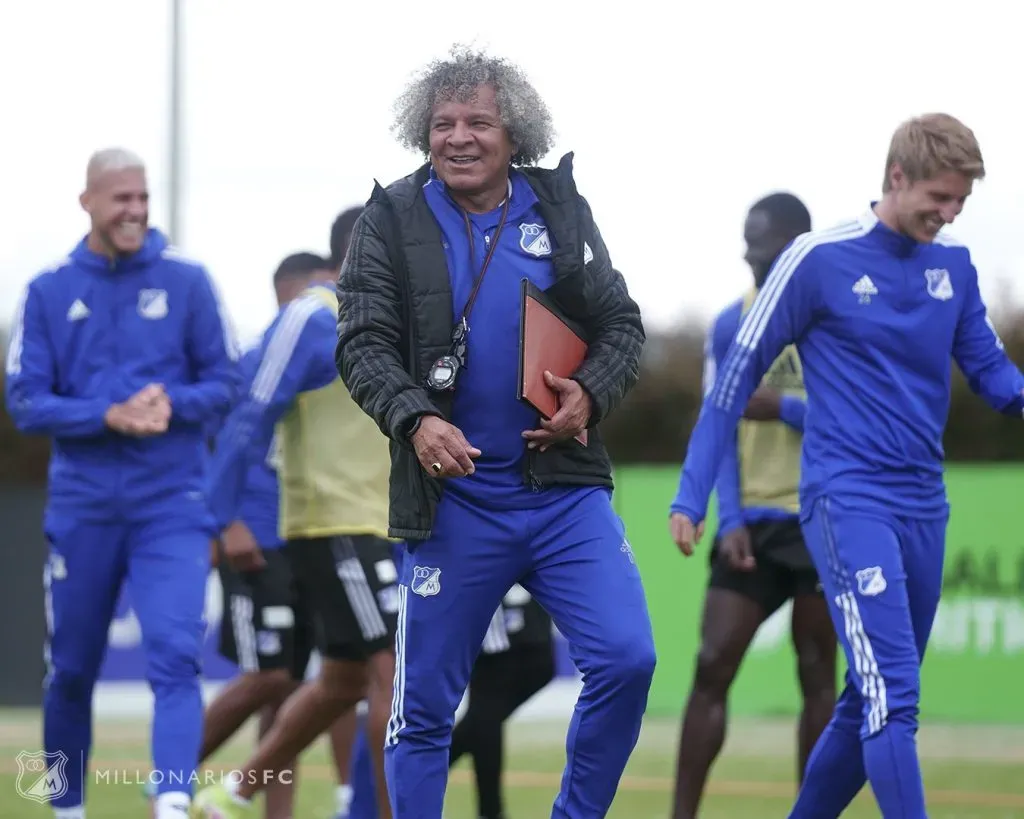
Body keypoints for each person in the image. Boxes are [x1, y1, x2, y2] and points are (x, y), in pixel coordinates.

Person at [669, 113, 1024, 819]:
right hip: (844, 498)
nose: (949, 215)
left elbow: (992, 375)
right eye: (939, 199)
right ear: (897, 177)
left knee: (866, 696)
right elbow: (732, 383)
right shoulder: (817, 260)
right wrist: (693, 495)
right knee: (895, 696)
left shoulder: (952, 267)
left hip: (925, 506)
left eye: (960, 204)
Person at [336, 45, 655, 818]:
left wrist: (592, 393)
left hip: (561, 495)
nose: (458, 137)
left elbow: (621, 325)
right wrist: (414, 419)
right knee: (422, 713)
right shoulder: (390, 217)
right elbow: (361, 343)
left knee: (628, 658)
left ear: (516, 134)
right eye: (443, 123)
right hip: (454, 504)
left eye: (478, 120)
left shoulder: (560, 209)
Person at [5, 148, 239, 819]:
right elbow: (24, 400)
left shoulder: (189, 282)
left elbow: (224, 382)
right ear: (88, 203)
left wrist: (174, 406)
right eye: (121, 200)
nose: (135, 211)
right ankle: (66, 806)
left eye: (142, 197)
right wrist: (105, 414)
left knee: (173, 654)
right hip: (82, 508)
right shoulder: (47, 291)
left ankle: (170, 800)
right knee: (71, 671)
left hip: (172, 504)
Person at [192, 253, 397, 819]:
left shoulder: (392, 316)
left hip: (369, 526)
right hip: (328, 525)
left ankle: (233, 794)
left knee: (339, 679)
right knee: (377, 676)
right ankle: (169, 778)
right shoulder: (310, 317)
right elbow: (243, 410)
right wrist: (223, 517)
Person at [669, 193, 836, 819]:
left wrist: (785, 408)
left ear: (797, 249)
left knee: (818, 674)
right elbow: (721, 420)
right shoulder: (729, 322)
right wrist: (730, 516)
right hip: (754, 525)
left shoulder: (836, 320)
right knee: (711, 664)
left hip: (823, 518)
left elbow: (859, 420)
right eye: (747, 250)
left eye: (763, 253)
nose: (752, 263)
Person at [347, 586, 556, 819]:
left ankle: (416, 775)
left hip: (502, 619)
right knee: (484, 715)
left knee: (484, 715)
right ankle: (484, 808)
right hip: (488, 614)